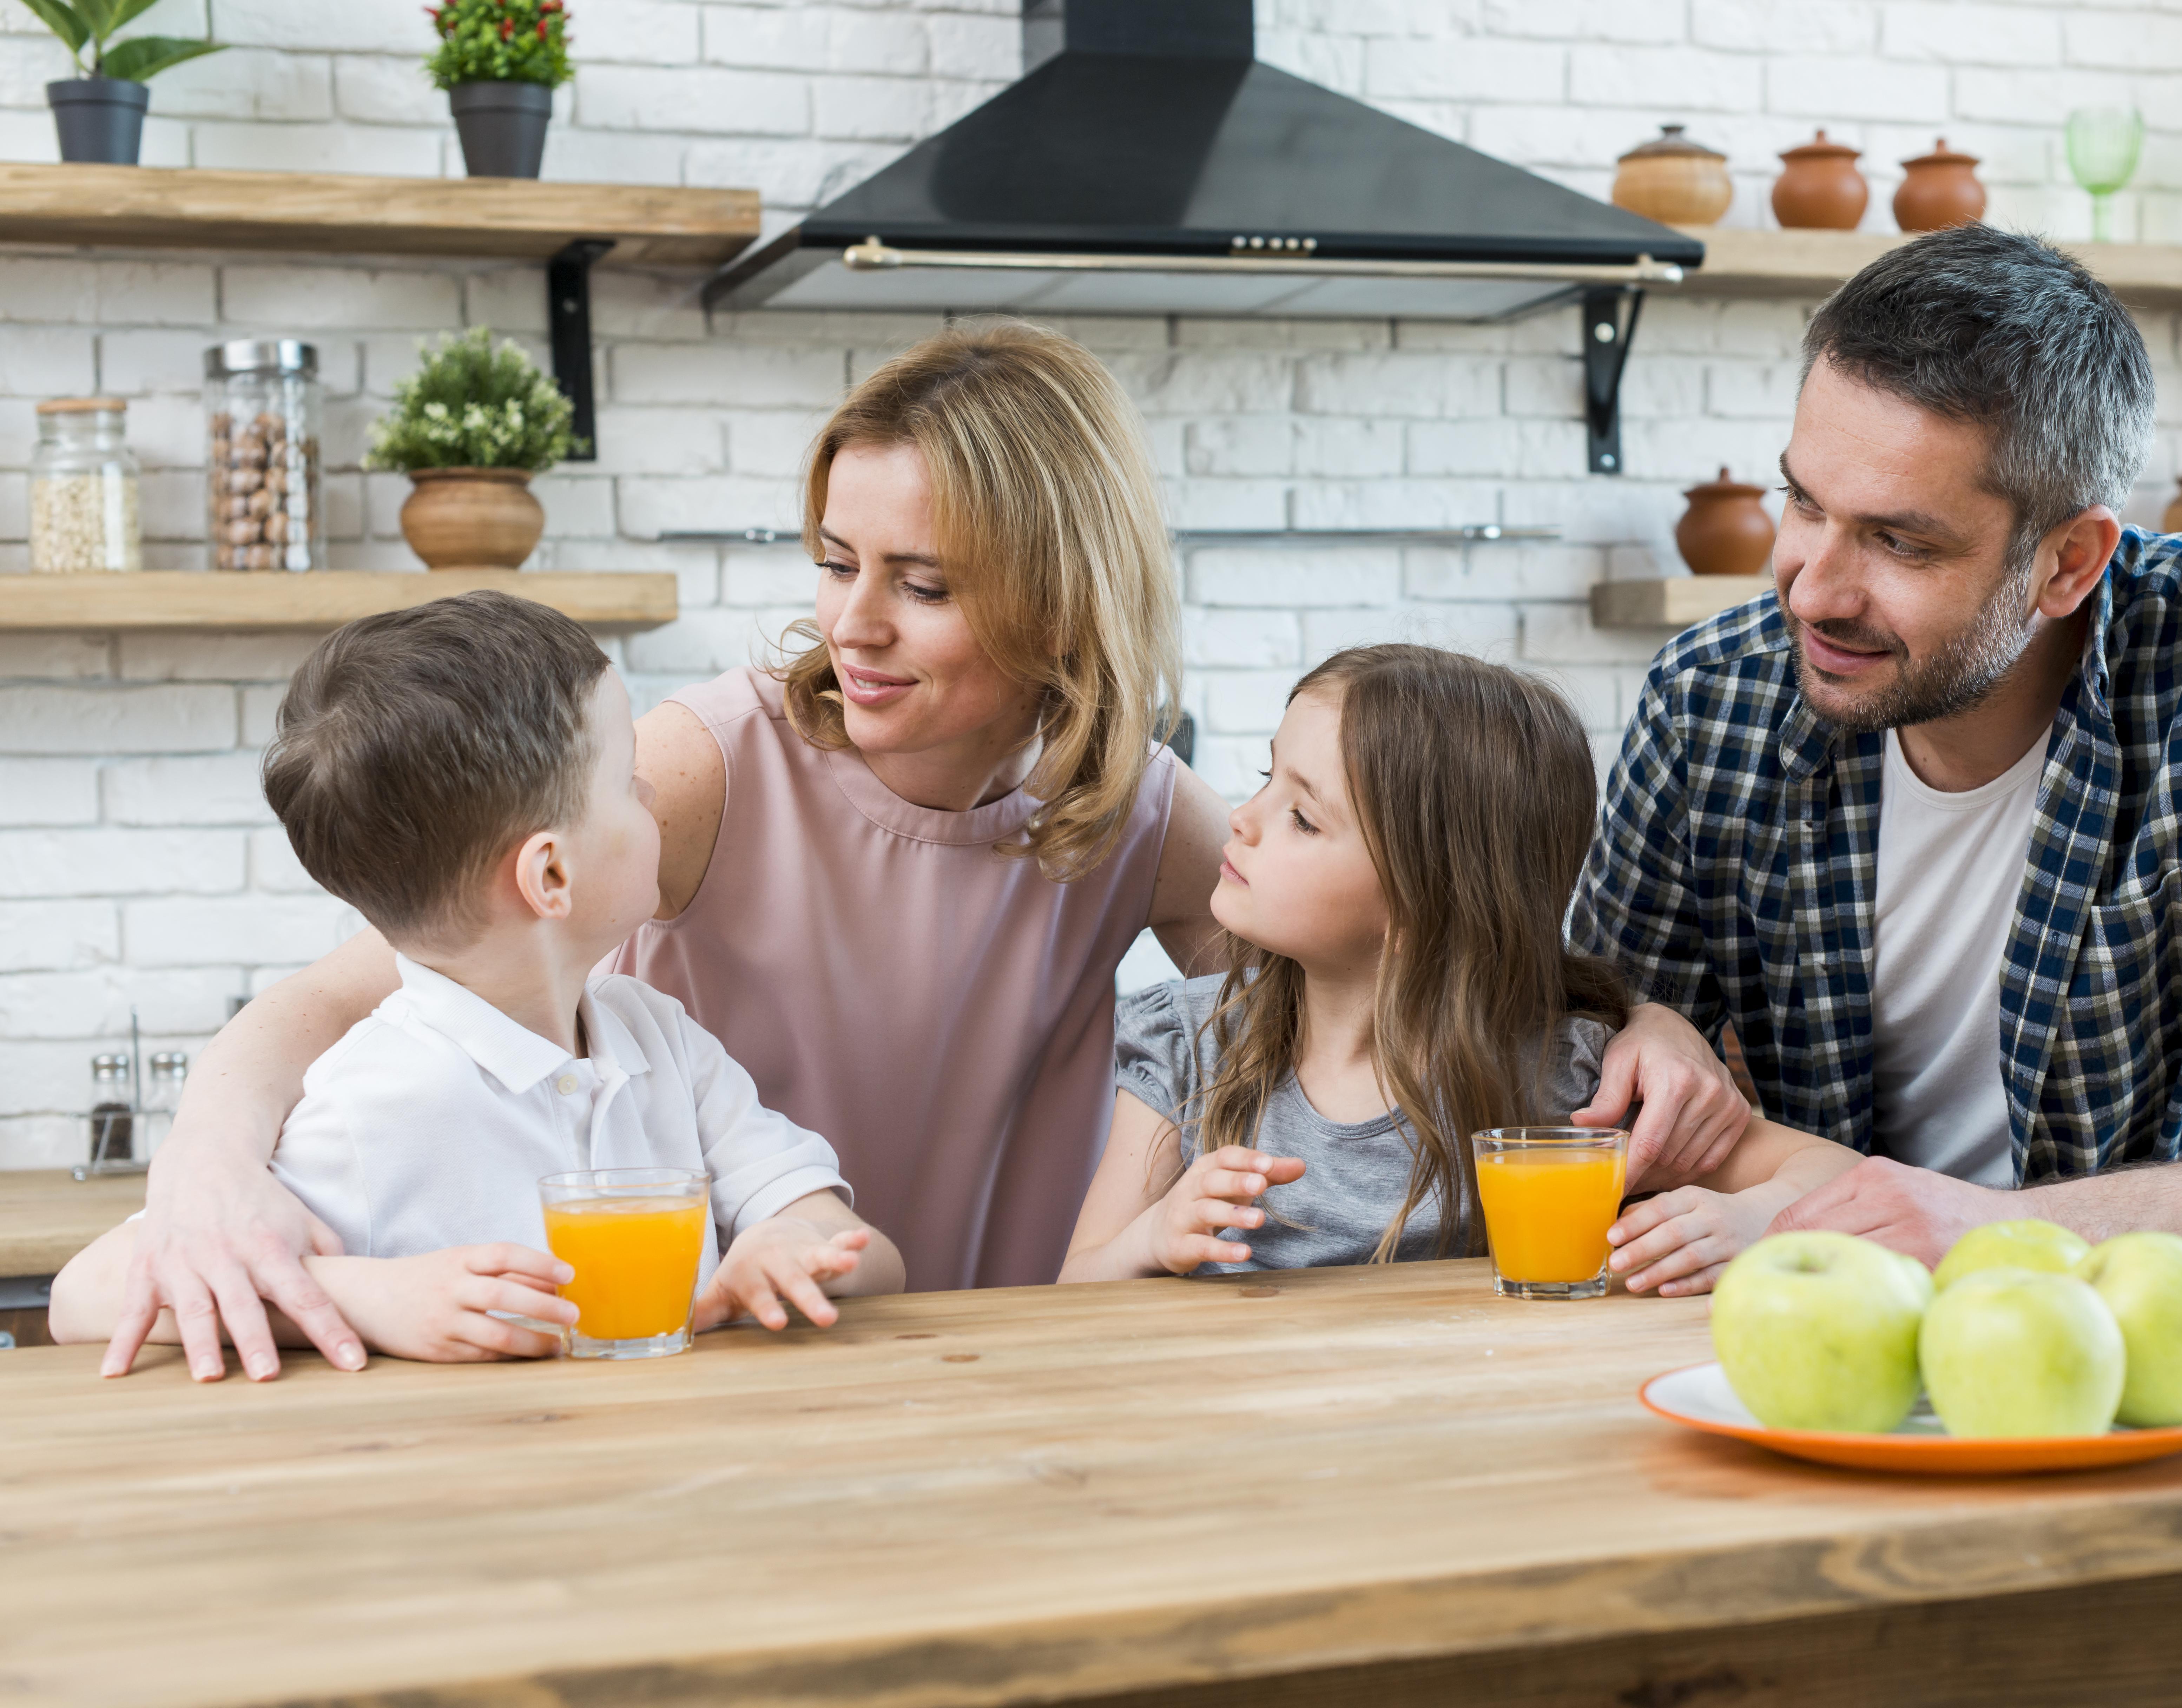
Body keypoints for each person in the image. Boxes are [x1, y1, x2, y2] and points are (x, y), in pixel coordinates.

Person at [108, 319, 1738, 1381]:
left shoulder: (1123, 809)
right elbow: (349, 994)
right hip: (730, 1364)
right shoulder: (704, 765)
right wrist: (204, 1180)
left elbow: (1389, 957)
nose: (858, 624)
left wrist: (1629, 1025)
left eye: (927, 583)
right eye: (835, 561)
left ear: (1053, 595)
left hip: (988, 1363)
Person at [1571, 224, 2182, 1285]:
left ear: (2070, 563)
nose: (1812, 591)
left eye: (1901, 542)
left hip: (2174, 1363)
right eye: (1804, 501)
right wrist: (1642, 1024)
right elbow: (1584, 1065)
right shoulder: (1712, 701)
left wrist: (1998, 1235)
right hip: (1813, 1340)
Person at [52, 594, 902, 1374]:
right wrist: (366, 1299)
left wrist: (794, 1251)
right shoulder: (372, 1102)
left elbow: (866, 1252)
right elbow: (82, 1294)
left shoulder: (663, 1041)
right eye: (624, 781)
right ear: (551, 876)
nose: (652, 790)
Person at [1063, 645, 1855, 1294]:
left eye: (1304, 817)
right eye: (1271, 778)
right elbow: (1074, 1293)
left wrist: (1758, 1220)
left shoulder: (1569, 1087)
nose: (1241, 817)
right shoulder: (1189, 1045)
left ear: (1421, 905)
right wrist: (1151, 1241)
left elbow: (1834, 1173)